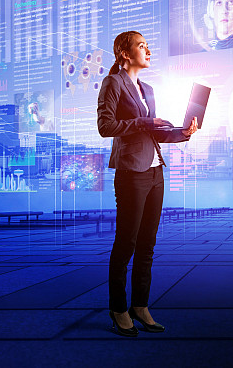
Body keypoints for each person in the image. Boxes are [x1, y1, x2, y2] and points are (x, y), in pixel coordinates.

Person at [97, 30, 198, 337]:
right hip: (131, 173)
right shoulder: (113, 83)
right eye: (141, 46)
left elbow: (154, 132)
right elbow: (106, 126)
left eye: (148, 45)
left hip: (155, 172)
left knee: (147, 245)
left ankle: (140, 306)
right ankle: (118, 309)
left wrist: (183, 132)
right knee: (126, 243)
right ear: (124, 54)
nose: (148, 50)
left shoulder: (148, 88)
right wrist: (145, 122)